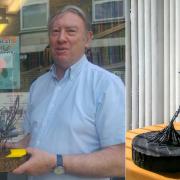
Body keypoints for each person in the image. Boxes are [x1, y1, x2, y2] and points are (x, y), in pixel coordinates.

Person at [11, 5, 125, 180]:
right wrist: (9, 148)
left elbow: (120, 161)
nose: (61, 38)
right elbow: (32, 138)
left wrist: (56, 162)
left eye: (71, 31)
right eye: (55, 32)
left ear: (88, 39)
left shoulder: (106, 85)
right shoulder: (38, 86)